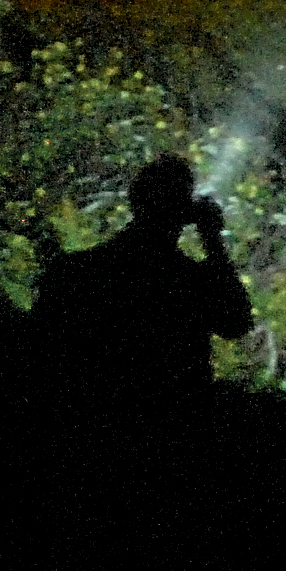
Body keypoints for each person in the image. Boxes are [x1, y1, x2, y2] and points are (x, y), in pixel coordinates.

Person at [31, 155, 253, 414]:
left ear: (135, 201)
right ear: (185, 213)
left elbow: (42, 357)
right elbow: (236, 323)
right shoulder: (189, 282)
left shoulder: (74, 271)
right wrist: (212, 240)